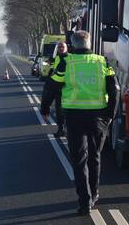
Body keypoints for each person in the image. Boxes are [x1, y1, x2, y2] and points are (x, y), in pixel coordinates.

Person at [41, 31, 118, 214]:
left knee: (79, 160)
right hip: (98, 117)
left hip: (75, 117)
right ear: (89, 43)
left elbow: (52, 86)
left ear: (73, 44)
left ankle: (84, 201)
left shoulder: (67, 63)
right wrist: (110, 115)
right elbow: (115, 89)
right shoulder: (103, 62)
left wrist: (44, 109)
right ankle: (95, 193)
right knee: (95, 156)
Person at [44, 41, 69, 138]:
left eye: (62, 46)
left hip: (69, 87)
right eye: (59, 47)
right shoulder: (57, 58)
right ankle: (61, 129)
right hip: (58, 89)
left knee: (68, 111)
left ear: (67, 48)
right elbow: (53, 70)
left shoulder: (71, 57)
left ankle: (67, 130)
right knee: (59, 110)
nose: (61, 48)